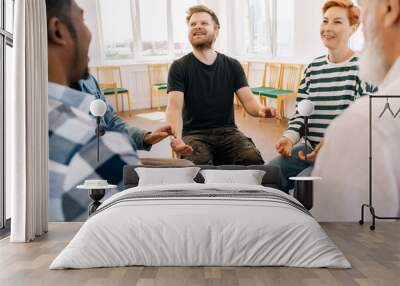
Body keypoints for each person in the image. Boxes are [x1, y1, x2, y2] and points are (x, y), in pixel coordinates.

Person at [267, 0, 376, 193]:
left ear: (353, 27)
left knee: (304, 184)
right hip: (309, 149)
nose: (327, 28)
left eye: (337, 22)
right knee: (270, 174)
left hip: (344, 154)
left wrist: (331, 146)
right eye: (325, 21)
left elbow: (364, 123)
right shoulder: (313, 68)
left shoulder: (364, 68)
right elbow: (301, 113)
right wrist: (289, 138)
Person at [312, 0, 400, 221]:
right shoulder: (313, 67)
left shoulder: (363, 126)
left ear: (391, 9)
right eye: (325, 21)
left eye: (365, 8)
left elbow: (345, 245)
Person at [166, 5, 276, 166]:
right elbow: (174, 108)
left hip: (228, 132)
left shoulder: (232, 65)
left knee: (252, 160)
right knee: (198, 167)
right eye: (193, 24)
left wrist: (260, 110)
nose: (197, 26)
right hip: (194, 134)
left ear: (216, 30)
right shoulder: (179, 67)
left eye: (204, 23)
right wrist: (176, 138)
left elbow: (248, 100)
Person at [71, 74, 194, 166]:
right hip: (94, 165)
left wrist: (146, 138)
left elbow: (111, 121)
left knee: (187, 166)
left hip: (112, 157)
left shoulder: (89, 79)